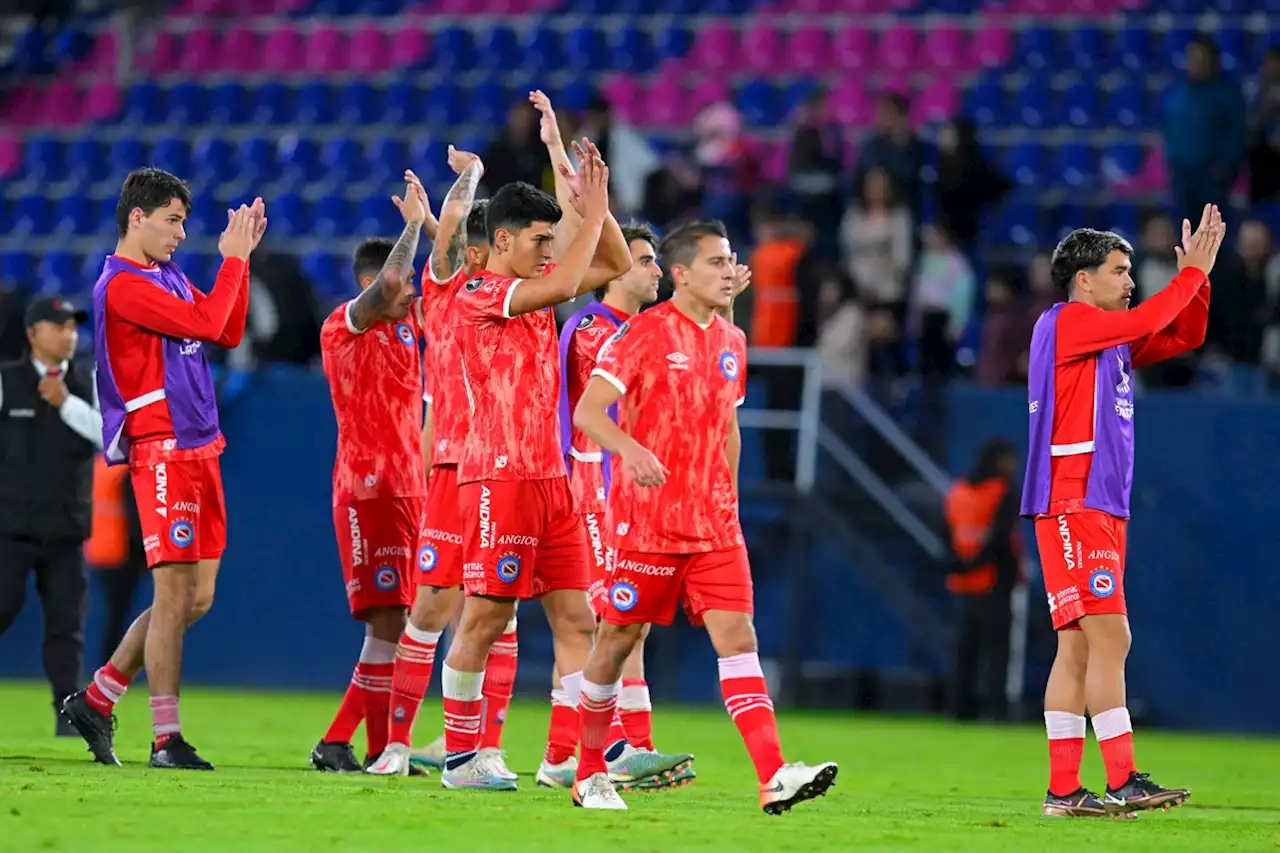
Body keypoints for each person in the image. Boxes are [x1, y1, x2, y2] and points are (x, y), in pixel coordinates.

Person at [569, 220, 838, 813]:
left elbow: (728, 427)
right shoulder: (642, 334)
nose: (730, 270)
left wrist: (729, 498)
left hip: (714, 524)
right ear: (681, 274)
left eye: (732, 259)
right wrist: (631, 449)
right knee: (616, 640)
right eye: (717, 261)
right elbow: (589, 412)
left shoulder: (731, 341)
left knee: (739, 639)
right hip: (646, 523)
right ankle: (589, 773)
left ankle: (773, 775)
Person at [437, 145, 633, 794]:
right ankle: (463, 758)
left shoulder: (528, 288)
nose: (550, 250)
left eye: (554, 238)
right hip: (499, 477)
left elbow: (615, 263)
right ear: (501, 240)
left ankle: (575, 757)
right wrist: (594, 209)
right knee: (485, 619)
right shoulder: (480, 292)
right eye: (540, 238)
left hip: (550, 481)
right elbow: (563, 280)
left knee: (580, 620)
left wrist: (595, 215)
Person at [61, 168, 265, 770]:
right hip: (164, 446)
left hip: (201, 444)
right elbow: (207, 324)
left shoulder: (165, 275)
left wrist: (242, 261)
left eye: (183, 221)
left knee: (196, 597)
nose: (180, 233)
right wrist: (228, 261)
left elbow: (224, 330)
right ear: (137, 218)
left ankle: (98, 699)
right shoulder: (121, 286)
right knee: (174, 593)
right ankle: (164, 738)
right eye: (172, 220)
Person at [1024, 207, 1225, 818]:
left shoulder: (1104, 340)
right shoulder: (1069, 322)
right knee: (1112, 636)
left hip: (1099, 505)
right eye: (1120, 270)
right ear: (1084, 280)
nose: (1131, 280)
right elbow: (1153, 314)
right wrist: (1187, 274)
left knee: (1079, 649)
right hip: (1074, 501)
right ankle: (1121, 778)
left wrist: (1202, 278)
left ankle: (1064, 792)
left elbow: (1182, 334)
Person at [368, 153, 519, 779]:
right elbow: (459, 229)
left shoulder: (517, 298)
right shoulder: (449, 294)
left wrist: (435, 217)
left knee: (498, 613)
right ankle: (399, 746)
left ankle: (484, 747)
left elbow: (460, 232)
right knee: (430, 611)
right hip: (455, 469)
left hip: (503, 469)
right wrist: (467, 181)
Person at [543, 222, 696, 792]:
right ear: (615, 268)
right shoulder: (595, 331)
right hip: (590, 483)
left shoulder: (628, 329)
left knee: (622, 620)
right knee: (613, 619)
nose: (656, 270)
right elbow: (598, 411)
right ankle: (623, 746)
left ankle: (566, 752)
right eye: (646, 260)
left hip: (621, 487)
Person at [310, 170, 434, 773]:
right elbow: (391, 276)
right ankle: (367, 744)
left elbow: (453, 276)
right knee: (390, 619)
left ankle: (364, 744)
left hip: (411, 488)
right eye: (404, 280)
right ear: (371, 283)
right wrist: (413, 222)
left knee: (400, 620)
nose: (410, 289)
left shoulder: (408, 326)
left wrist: (449, 212)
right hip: (368, 489)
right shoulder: (344, 327)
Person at [0, 297, 101, 736]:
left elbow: (109, 438)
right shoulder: (7, 380)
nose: (68, 334)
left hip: (66, 530)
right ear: (32, 333)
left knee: (67, 626)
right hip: (10, 529)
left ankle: (69, 716)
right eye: (57, 326)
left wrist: (65, 403)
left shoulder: (87, 380)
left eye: (72, 326)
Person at [943, 439, 1022, 721]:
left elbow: (947, 535)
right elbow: (1001, 538)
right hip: (993, 581)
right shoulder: (1002, 493)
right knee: (997, 651)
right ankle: (996, 709)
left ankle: (961, 709)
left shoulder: (958, 492)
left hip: (963, 582)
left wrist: (960, 565)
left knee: (966, 650)